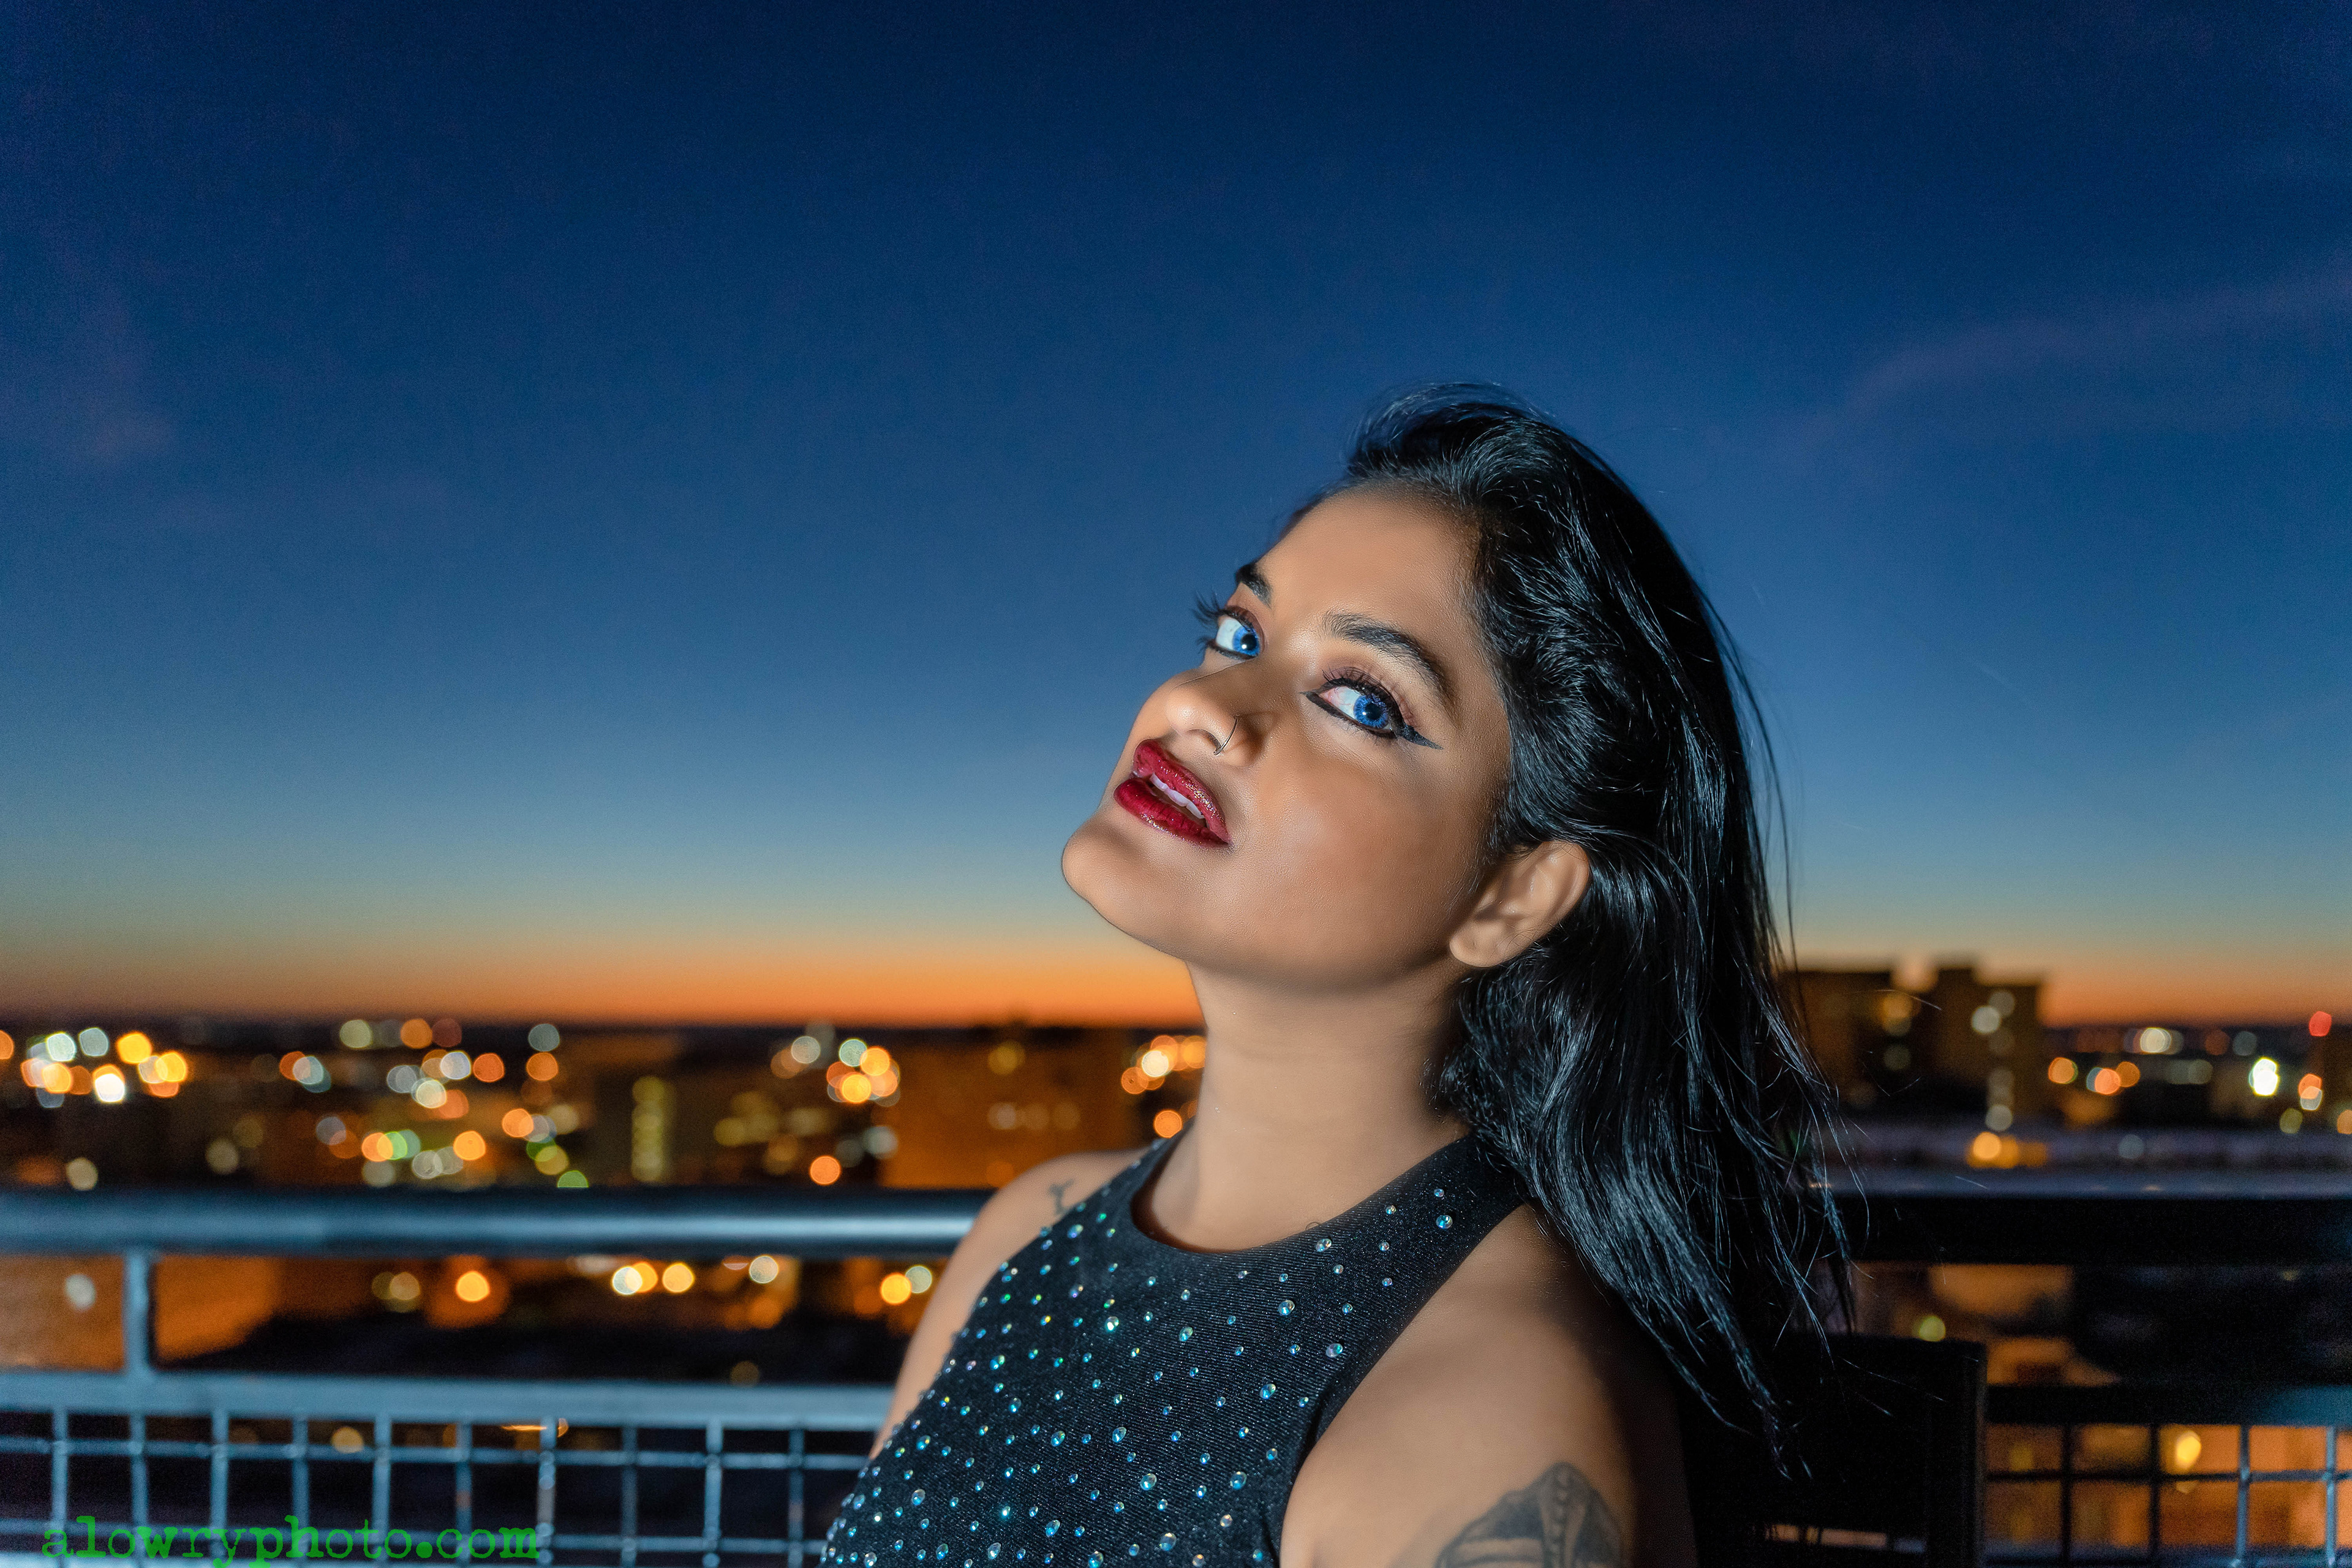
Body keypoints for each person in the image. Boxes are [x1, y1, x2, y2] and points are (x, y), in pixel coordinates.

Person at [824, 386, 1843, 1567]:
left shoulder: (1490, 1424)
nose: (1199, 703)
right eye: (1240, 634)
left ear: (1513, 896)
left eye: (1362, 701)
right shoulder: (1029, 1230)